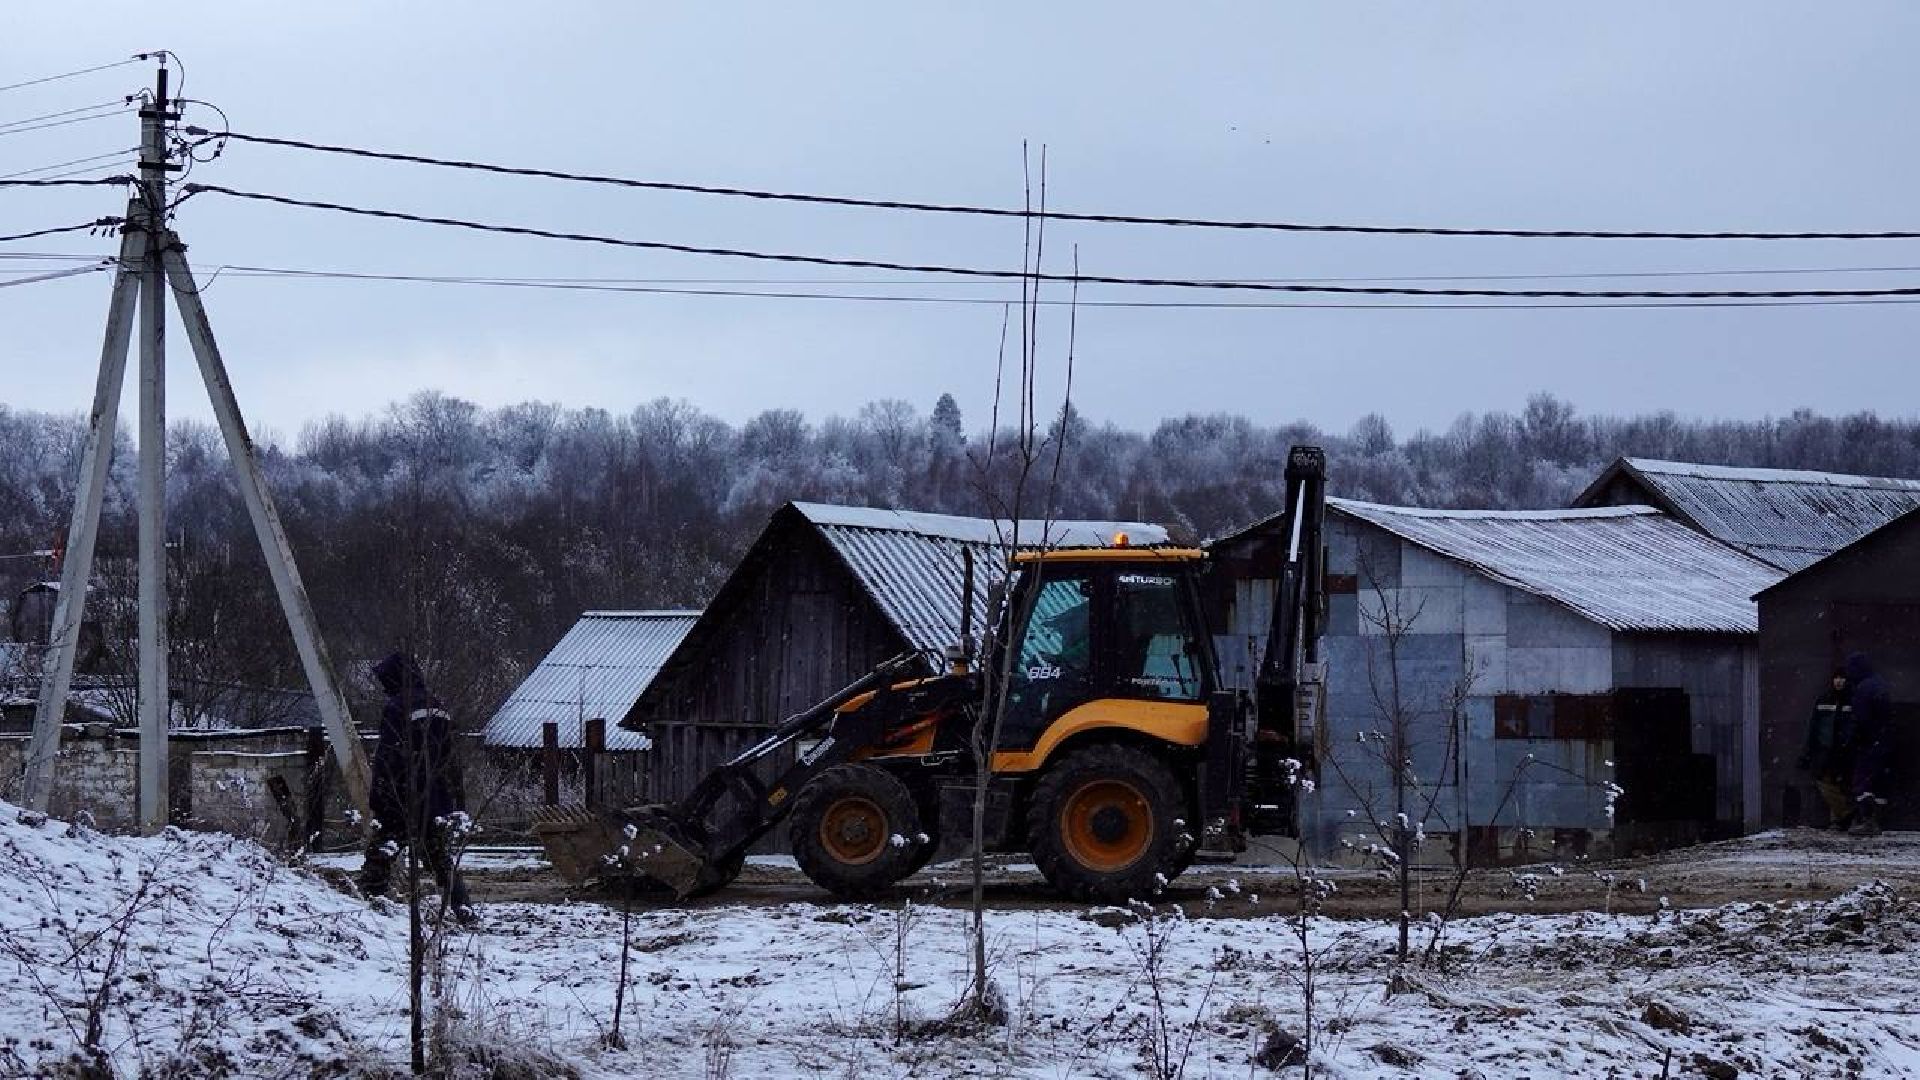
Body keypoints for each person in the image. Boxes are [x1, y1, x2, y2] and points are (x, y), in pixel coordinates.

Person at [359, 651, 473, 918]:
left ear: (394, 678)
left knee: (381, 853)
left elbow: (388, 756)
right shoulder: (438, 705)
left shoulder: (397, 707)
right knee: (438, 857)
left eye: (385, 680)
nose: (383, 686)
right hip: (434, 797)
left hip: (401, 796)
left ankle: (369, 909)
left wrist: (381, 796)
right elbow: (449, 758)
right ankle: (463, 908)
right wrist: (453, 799)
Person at [1796, 667, 1854, 830]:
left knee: (1837, 783)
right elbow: (1813, 725)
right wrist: (1809, 748)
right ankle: (1844, 813)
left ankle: (1839, 819)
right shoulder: (1825, 699)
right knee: (1826, 781)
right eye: (1837, 678)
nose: (1839, 681)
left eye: (1842, 678)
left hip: (1842, 749)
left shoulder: (1850, 700)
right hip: (1826, 749)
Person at [1845, 652, 1894, 837]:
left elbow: (1860, 718)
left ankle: (1867, 820)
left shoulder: (1863, 688)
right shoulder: (1880, 684)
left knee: (1862, 782)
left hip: (1869, 743)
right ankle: (1878, 820)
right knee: (1879, 782)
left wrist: (1852, 739)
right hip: (1884, 741)